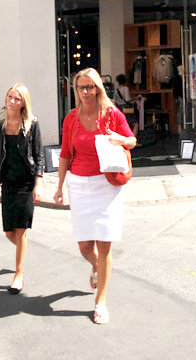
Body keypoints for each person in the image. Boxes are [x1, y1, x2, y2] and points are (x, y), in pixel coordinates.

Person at [53, 68, 136, 325]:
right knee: (84, 246)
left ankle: (100, 301)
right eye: (81, 87)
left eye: (90, 87)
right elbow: (66, 153)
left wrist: (119, 138)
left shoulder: (111, 114)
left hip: (107, 184)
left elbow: (132, 141)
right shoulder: (71, 118)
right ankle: (97, 266)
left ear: (98, 88)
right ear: (75, 90)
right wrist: (59, 186)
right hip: (78, 184)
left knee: (105, 242)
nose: (86, 92)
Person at [0, 84, 45, 294]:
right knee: (9, 233)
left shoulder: (32, 124)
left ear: (23, 103)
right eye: (10, 97)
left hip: (26, 182)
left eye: (17, 98)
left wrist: (38, 183)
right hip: (8, 183)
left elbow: (38, 155)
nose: (12, 101)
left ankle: (18, 274)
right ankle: (22, 250)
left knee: (20, 231)